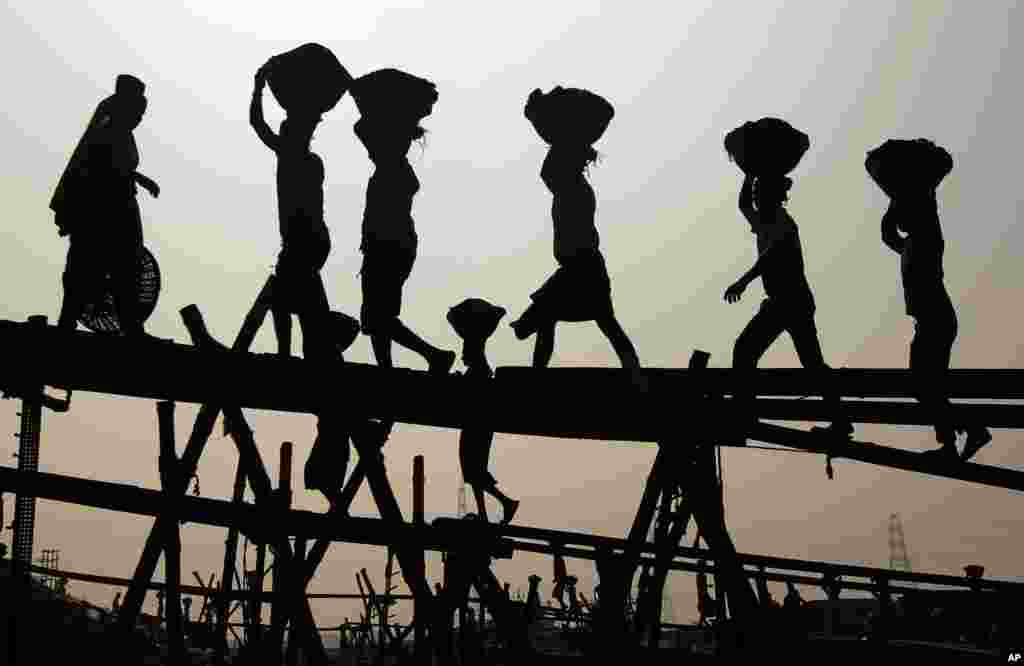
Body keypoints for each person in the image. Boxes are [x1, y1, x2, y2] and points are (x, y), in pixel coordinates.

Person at [872, 140, 992, 461]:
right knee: (925, 387)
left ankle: (968, 432)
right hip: (930, 320)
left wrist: (906, 194)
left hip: (936, 320)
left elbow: (922, 206)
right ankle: (952, 443)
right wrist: (893, 199)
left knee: (926, 386)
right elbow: (887, 234)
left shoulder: (928, 235)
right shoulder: (910, 244)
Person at [511, 89, 641, 380]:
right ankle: (538, 374)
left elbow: (548, 170)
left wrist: (563, 144)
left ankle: (635, 374)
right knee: (565, 319)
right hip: (578, 266)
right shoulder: (569, 185)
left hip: (582, 266)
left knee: (554, 318)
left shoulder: (572, 188)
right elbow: (549, 170)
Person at [350, 69, 456, 407]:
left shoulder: (393, 166)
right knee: (376, 316)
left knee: (378, 316)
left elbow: (362, 128)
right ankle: (387, 369)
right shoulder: (394, 165)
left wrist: (368, 102)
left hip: (389, 245)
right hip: (393, 244)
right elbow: (365, 129)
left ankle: (433, 354)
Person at [724, 173, 852, 441]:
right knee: (810, 363)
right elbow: (743, 205)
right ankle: (840, 419)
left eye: (761, 194)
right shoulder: (763, 220)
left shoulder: (782, 222)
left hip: (790, 301)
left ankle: (745, 412)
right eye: (757, 195)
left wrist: (742, 282)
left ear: (773, 197)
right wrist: (749, 175)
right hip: (785, 302)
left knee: (746, 350)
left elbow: (769, 258)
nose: (756, 200)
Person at [52, 74, 159, 339]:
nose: (140, 119)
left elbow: (122, 168)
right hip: (102, 212)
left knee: (124, 269)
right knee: (90, 266)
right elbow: (102, 170)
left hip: (121, 208)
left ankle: (131, 327)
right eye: (137, 112)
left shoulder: (123, 134)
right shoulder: (106, 132)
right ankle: (68, 323)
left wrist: (140, 179)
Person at [250, 61, 342, 362]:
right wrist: (259, 88)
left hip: (304, 240)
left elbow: (258, 125)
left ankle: (289, 354)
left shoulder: (296, 158)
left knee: (285, 297)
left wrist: (258, 88)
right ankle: (305, 352)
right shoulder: (305, 159)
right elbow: (260, 126)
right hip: (312, 240)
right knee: (301, 299)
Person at [448, 298, 519, 524]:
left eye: (464, 350)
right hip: (476, 422)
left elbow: (473, 392)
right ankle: (489, 512)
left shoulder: (478, 369)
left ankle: (504, 503)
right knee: (473, 472)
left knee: (473, 470)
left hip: (476, 423)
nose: (462, 354)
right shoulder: (479, 369)